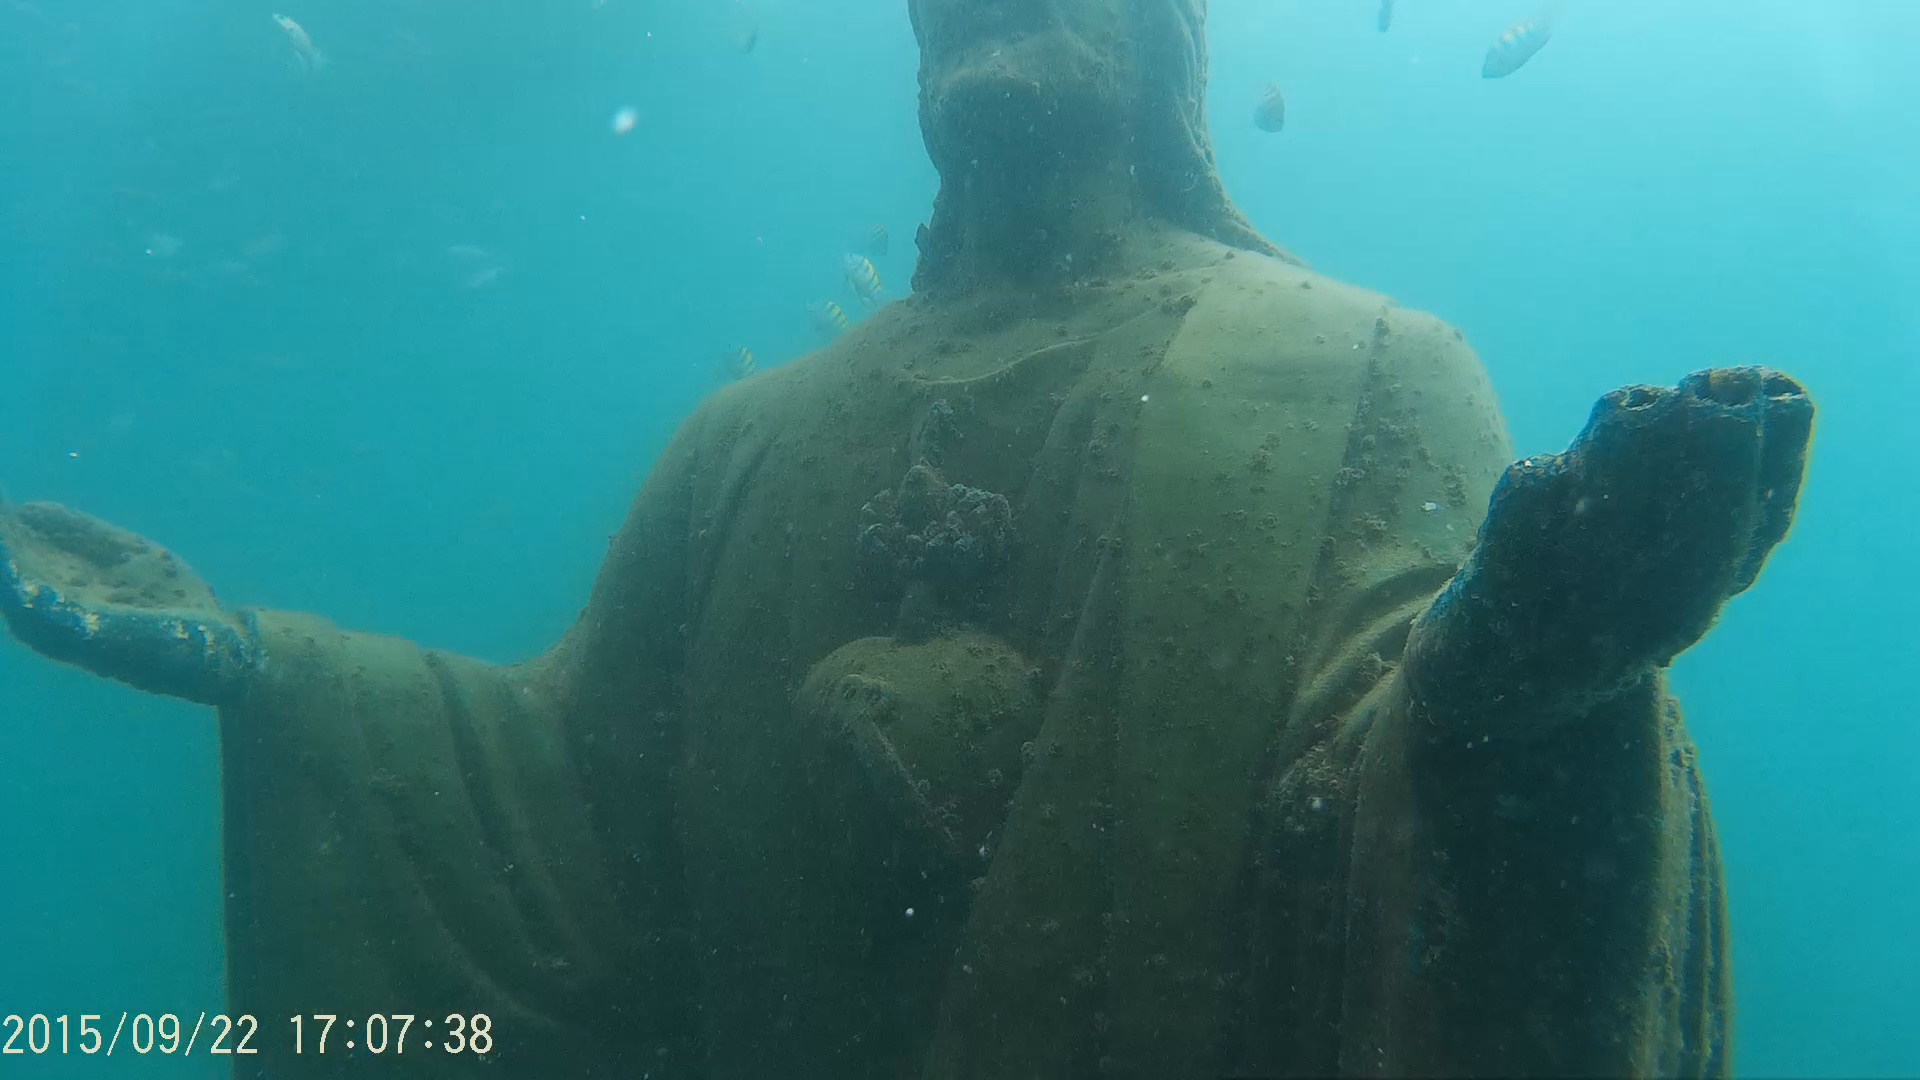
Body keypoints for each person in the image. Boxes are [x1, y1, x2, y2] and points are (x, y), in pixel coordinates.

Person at [0, 0, 1813, 1076]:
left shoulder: (1357, 370)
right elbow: (563, 795)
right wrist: (276, 673)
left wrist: (1525, 669)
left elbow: (1368, 807)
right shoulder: (744, 441)